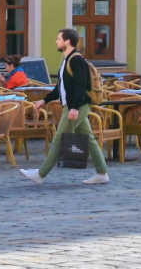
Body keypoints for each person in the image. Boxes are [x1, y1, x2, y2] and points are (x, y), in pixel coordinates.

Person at [19, 29, 109, 186]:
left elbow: (81, 86)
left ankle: (40, 174)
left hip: (77, 106)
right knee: (90, 139)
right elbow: (60, 88)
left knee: (60, 138)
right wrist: (44, 100)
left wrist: (74, 108)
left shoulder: (76, 60)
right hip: (74, 105)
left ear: (67, 41)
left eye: (58, 38)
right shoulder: (66, 60)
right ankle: (102, 173)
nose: (56, 41)